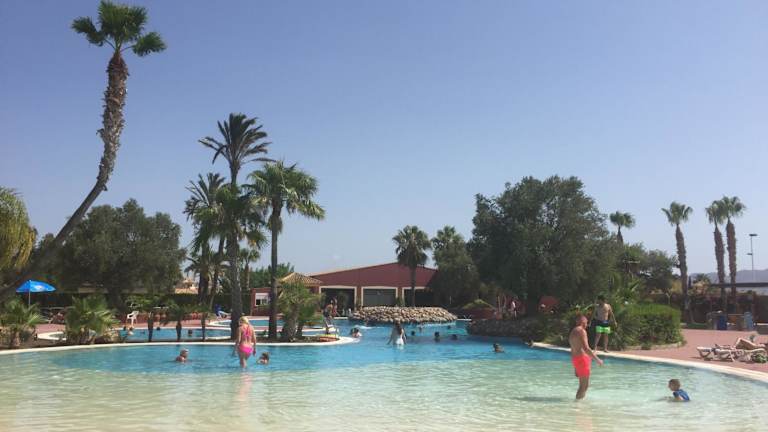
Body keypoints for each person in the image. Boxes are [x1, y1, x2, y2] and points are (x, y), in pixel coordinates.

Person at [569, 314, 603, 400]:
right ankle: (577, 405)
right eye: (586, 323)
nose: (587, 325)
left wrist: (575, 367)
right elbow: (586, 348)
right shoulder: (581, 331)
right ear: (583, 322)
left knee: (583, 385)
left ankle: (578, 403)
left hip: (577, 359)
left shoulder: (573, 331)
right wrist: (597, 360)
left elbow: (573, 349)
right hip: (582, 360)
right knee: (584, 386)